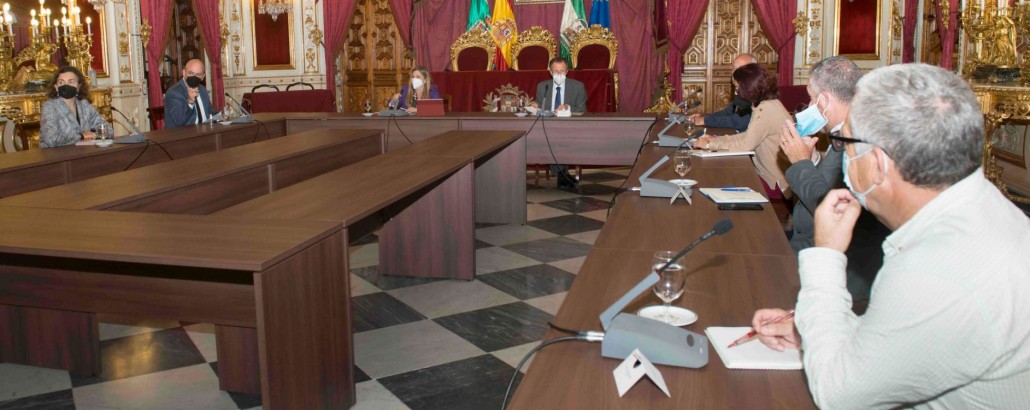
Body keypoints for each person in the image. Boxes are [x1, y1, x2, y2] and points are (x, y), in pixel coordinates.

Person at [753, 64, 1030, 409]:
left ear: (877, 164)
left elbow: (837, 393)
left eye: (845, 144)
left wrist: (826, 255)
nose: (843, 160)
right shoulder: (982, 208)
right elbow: (914, 338)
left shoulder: (933, 271)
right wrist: (815, 329)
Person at [779, 56, 889, 301]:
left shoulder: (858, 140)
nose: (810, 105)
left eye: (812, 98)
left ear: (825, 100)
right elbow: (831, 181)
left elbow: (832, 208)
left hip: (831, 261)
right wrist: (812, 160)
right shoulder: (846, 129)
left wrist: (801, 163)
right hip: (812, 243)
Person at [694, 63, 792, 198]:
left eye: (738, 88)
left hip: (775, 182)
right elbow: (748, 135)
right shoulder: (769, 104)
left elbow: (746, 145)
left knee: (722, 180)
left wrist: (710, 145)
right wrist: (716, 139)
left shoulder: (765, 109)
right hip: (769, 174)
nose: (736, 92)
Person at [530, 57, 586, 188]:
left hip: (569, 127)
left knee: (558, 138)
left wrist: (568, 107)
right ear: (550, 72)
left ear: (567, 72)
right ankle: (563, 174)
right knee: (547, 137)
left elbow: (583, 110)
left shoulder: (578, 86)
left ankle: (561, 174)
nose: (559, 74)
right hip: (547, 126)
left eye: (562, 71)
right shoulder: (543, 86)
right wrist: (535, 105)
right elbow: (540, 106)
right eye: (556, 71)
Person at [39, 66, 113, 148]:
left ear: (78, 86)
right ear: (56, 87)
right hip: (56, 154)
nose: (66, 86)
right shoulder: (50, 107)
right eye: (61, 82)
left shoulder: (84, 104)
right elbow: (50, 139)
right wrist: (81, 136)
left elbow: (108, 130)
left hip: (82, 152)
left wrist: (94, 135)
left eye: (71, 82)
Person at [689, 53, 755, 131]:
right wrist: (704, 117)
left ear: (754, 71)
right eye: (734, 68)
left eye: (741, 68)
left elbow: (738, 122)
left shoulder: (754, 91)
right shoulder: (741, 89)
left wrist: (704, 121)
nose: (736, 72)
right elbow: (729, 111)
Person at [164, 58, 216, 128]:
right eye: (190, 73)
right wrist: (190, 102)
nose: (194, 77)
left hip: (205, 130)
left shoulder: (202, 89)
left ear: (202, 76)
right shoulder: (173, 93)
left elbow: (210, 111)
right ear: (184, 73)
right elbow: (179, 121)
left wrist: (222, 114)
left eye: (198, 74)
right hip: (183, 133)